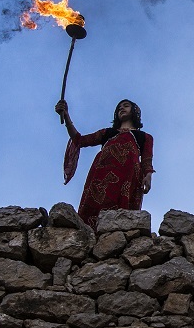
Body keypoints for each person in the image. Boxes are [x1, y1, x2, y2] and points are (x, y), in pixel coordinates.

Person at [56, 98, 154, 229]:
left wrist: (148, 175)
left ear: (134, 111)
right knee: (95, 204)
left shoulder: (145, 137)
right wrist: (66, 116)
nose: (122, 109)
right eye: (119, 108)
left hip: (128, 175)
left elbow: (147, 160)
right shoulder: (107, 133)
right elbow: (80, 140)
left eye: (126, 106)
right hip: (101, 173)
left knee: (122, 211)